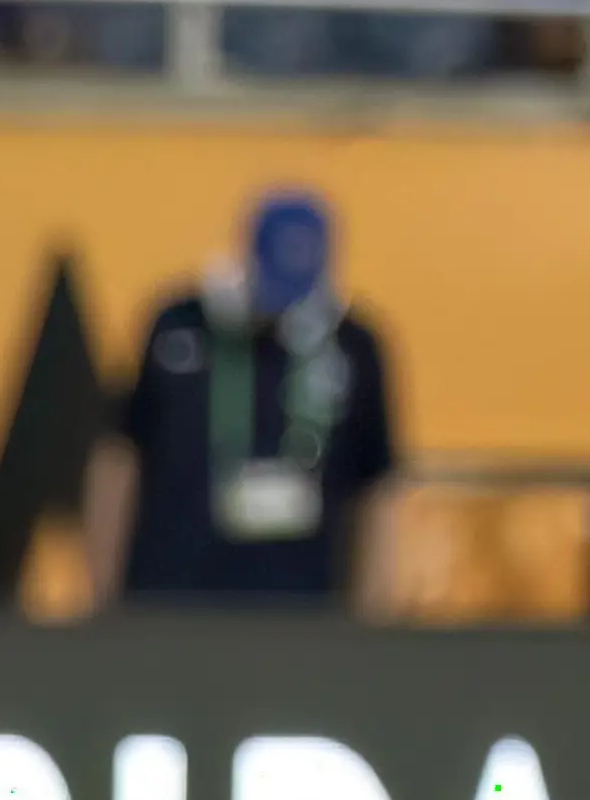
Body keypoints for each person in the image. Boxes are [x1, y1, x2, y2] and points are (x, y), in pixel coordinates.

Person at [84, 191, 403, 611]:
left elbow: (378, 487)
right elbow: (119, 458)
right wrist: (102, 594)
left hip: (300, 608)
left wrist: (372, 611)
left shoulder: (353, 345)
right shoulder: (179, 325)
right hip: (171, 597)